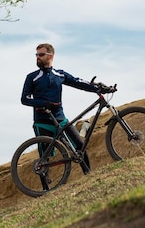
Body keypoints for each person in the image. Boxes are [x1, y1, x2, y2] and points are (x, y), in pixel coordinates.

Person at [20, 43, 99, 177]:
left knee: (80, 146)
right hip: (42, 121)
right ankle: (46, 190)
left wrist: (98, 89)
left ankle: (89, 176)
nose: (37, 58)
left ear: (51, 56)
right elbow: (25, 99)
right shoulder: (32, 77)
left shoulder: (59, 74)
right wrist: (43, 103)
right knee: (44, 159)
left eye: (41, 54)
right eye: (36, 55)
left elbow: (77, 82)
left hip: (60, 118)